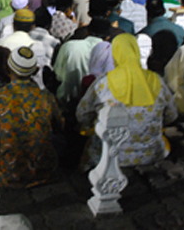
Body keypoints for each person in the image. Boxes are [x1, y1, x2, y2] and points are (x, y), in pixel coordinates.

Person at [76, 33, 177, 170]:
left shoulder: (102, 83)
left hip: (109, 156)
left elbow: (82, 115)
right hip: (152, 153)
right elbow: (171, 115)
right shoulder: (156, 80)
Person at [0, 46, 64, 189]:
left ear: (7, 70)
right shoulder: (46, 97)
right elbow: (60, 126)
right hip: (45, 171)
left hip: (8, 174)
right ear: (35, 71)